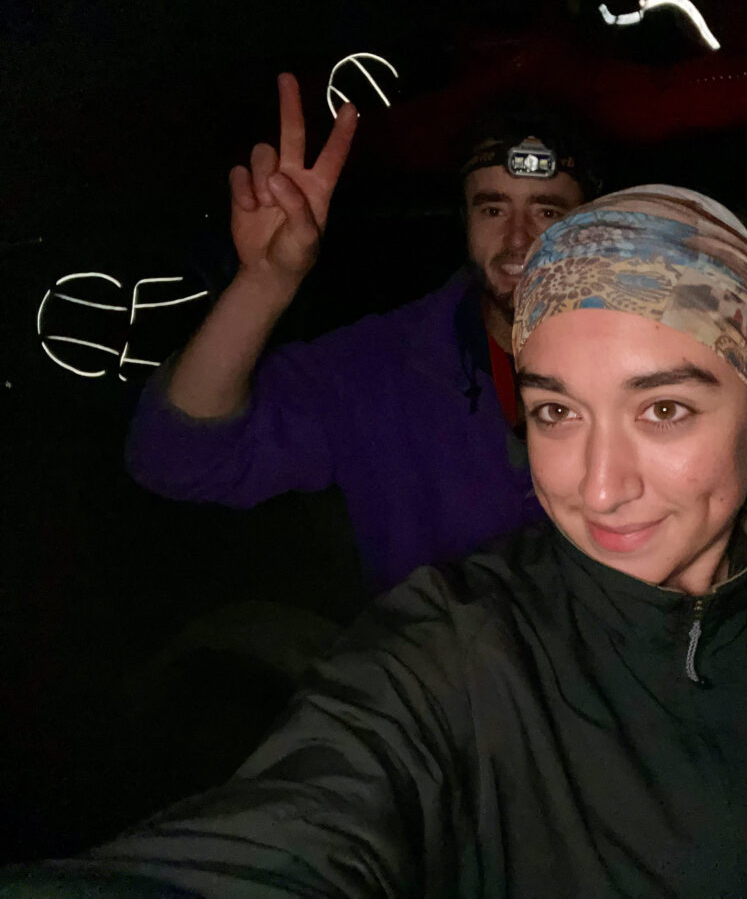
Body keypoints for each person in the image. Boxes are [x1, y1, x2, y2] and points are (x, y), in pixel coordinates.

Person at [2, 186, 747, 898]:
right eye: (558, 413)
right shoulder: (449, 661)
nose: (597, 486)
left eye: (664, 412)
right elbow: (288, 834)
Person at [125, 73, 600, 592]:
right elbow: (174, 458)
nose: (516, 239)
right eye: (492, 208)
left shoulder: (658, 359)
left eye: (547, 211)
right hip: (435, 671)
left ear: (593, 225)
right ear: (464, 218)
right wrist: (263, 282)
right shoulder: (381, 366)